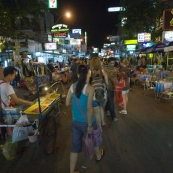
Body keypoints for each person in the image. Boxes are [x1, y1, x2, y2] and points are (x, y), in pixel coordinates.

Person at [66, 64, 104, 173]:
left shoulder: (72, 87)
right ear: (87, 73)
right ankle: (98, 155)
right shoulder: (90, 88)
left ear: (77, 74)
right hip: (87, 122)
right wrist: (90, 126)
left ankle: (72, 171)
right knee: (93, 139)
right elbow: (89, 109)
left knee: (74, 147)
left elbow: (67, 103)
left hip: (75, 122)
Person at [87, 57, 108, 132]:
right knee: (101, 107)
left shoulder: (90, 72)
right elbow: (107, 82)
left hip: (94, 94)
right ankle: (103, 121)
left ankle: (100, 128)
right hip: (102, 93)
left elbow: (87, 83)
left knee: (96, 112)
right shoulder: (102, 71)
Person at [104, 57, 119, 122]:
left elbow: (118, 78)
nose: (112, 64)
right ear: (108, 63)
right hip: (107, 87)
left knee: (110, 100)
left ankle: (106, 109)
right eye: (111, 63)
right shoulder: (105, 70)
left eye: (113, 63)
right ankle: (113, 116)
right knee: (111, 102)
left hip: (114, 88)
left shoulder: (116, 69)